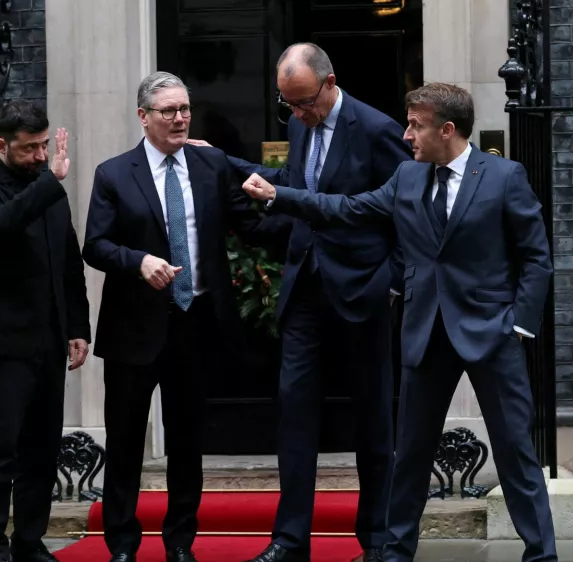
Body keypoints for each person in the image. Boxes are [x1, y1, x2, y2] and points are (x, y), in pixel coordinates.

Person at [242, 82, 558, 562]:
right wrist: (279, 194)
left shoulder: (503, 175)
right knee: (409, 453)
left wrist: (517, 325)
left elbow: (536, 258)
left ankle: (540, 554)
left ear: (446, 129)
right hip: (425, 331)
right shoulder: (407, 178)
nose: (407, 134)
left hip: (491, 333)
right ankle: (394, 553)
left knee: (515, 451)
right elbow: (346, 209)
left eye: (416, 125)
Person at [189, 42, 411, 562]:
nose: (298, 113)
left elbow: (406, 210)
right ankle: (290, 541)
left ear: (330, 83)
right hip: (305, 289)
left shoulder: (378, 130)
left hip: (362, 292)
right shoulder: (298, 124)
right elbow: (291, 186)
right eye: (288, 103)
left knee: (374, 423)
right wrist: (221, 161)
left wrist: (392, 282)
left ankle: (376, 541)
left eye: (305, 102)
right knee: (293, 415)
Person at [82, 71, 291, 562]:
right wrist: (139, 261)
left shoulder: (210, 162)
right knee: (128, 440)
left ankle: (180, 543)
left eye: (184, 109)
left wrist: (310, 220)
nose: (179, 118)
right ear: (143, 117)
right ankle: (123, 546)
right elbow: (96, 245)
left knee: (186, 441)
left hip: (195, 322)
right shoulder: (114, 173)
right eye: (168, 111)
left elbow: (250, 225)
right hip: (135, 327)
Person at [0, 100, 91, 562]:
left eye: (43, 145)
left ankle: (30, 541)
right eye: (29, 148)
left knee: (40, 452)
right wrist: (49, 181)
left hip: (48, 343)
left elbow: (67, 260)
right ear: (2, 145)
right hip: (2, 347)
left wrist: (77, 326)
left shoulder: (47, 189)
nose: (39, 155)